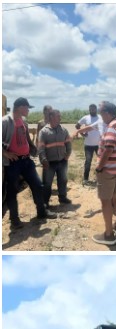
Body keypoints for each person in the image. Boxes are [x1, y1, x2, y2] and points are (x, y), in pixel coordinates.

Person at [3, 97, 57, 230]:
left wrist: (35, 150)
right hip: (13, 163)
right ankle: (14, 220)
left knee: (37, 185)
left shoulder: (23, 121)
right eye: (27, 108)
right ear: (20, 107)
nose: (28, 110)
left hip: (26, 161)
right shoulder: (5, 121)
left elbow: (27, 139)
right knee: (12, 191)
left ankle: (41, 212)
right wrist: (6, 154)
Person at [92, 101, 116, 246]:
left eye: (101, 114)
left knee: (106, 201)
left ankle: (108, 235)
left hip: (107, 171)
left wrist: (100, 167)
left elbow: (108, 149)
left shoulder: (112, 128)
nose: (101, 117)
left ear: (107, 113)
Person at [38, 108, 72, 206]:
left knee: (63, 180)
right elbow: (41, 147)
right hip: (49, 163)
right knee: (47, 183)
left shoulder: (63, 130)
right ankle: (45, 202)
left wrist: (67, 155)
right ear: (51, 117)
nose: (60, 117)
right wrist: (43, 159)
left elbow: (68, 143)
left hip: (62, 161)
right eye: (58, 116)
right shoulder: (44, 132)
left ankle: (62, 197)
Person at [76, 103, 101, 184]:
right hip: (88, 145)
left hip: (99, 145)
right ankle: (85, 179)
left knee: (101, 162)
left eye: (94, 109)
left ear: (96, 109)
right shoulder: (85, 118)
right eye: (91, 109)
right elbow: (77, 126)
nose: (92, 110)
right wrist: (82, 134)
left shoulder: (100, 117)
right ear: (89, 109)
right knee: (88, 162)